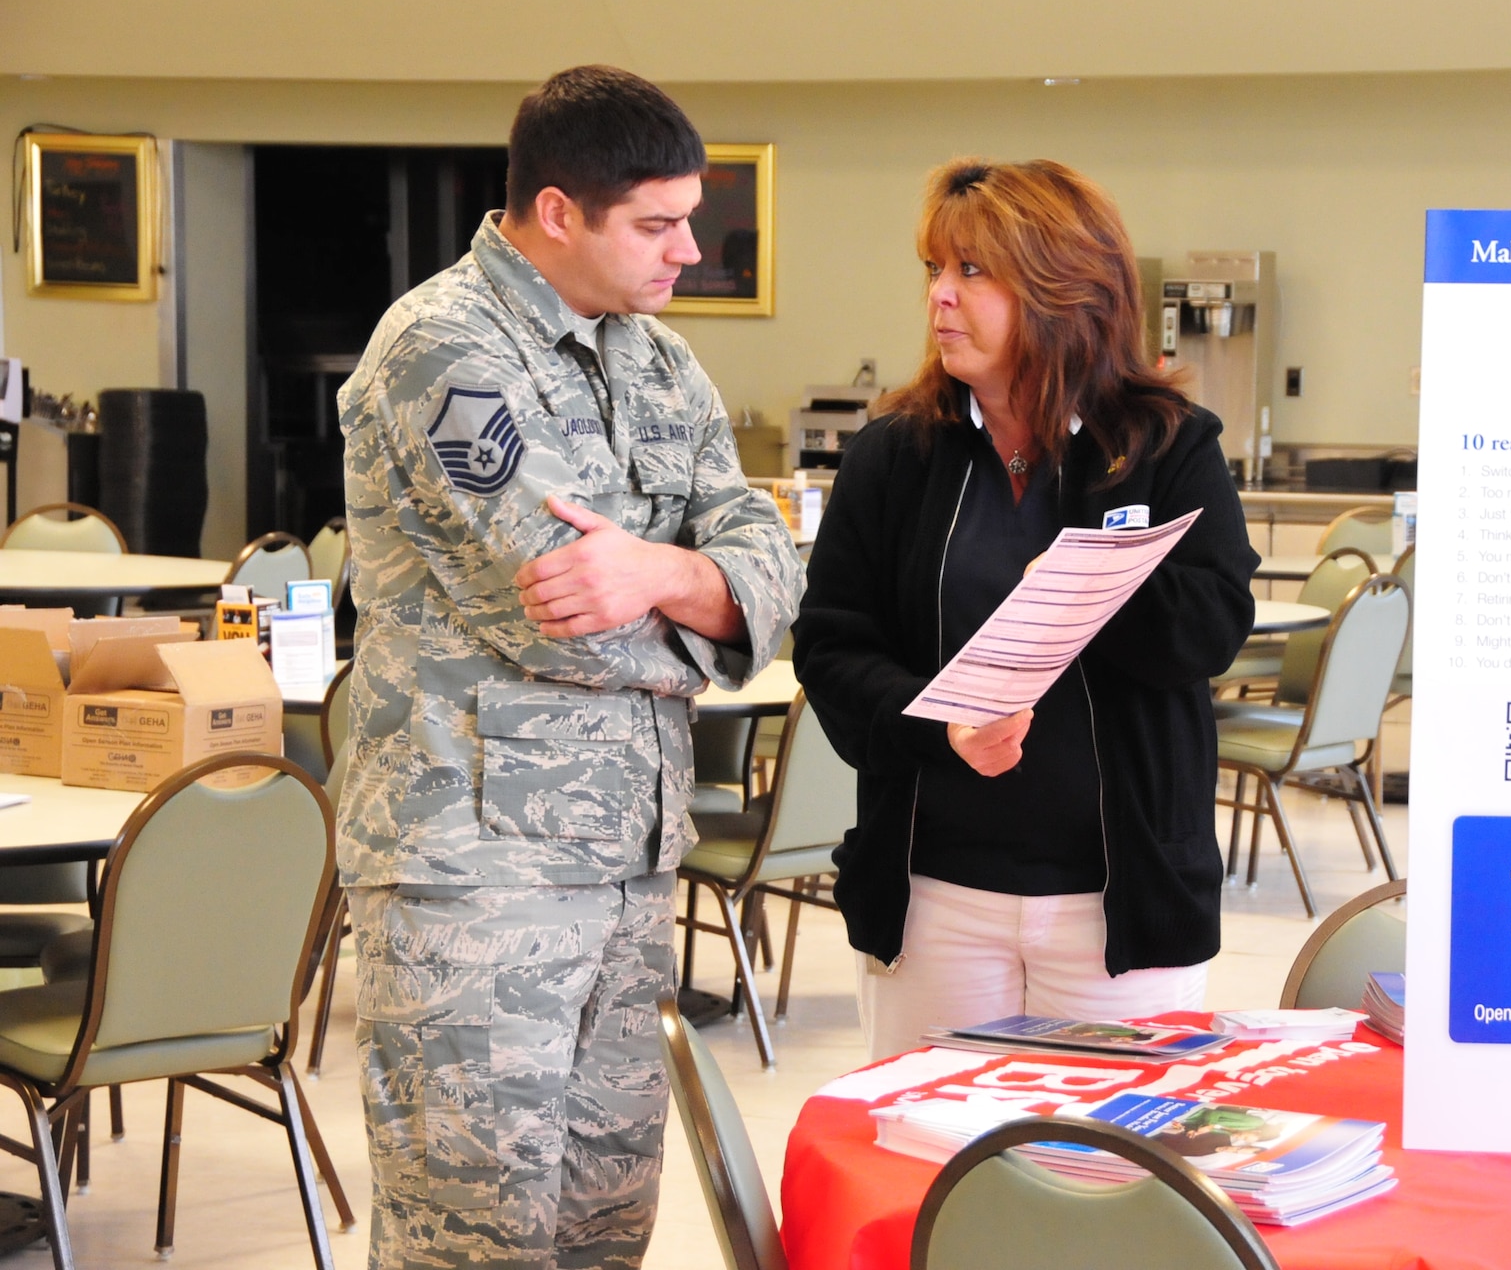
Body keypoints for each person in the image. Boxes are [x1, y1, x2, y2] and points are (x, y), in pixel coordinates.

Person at [337, 65, 802, 1267]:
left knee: (605, 1227)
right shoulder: (442, 349)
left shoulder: (652, 357)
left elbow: (766, 553)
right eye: (657, 223)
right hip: (475, 876)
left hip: (628, 860)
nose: (688, 250)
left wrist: (658, 574)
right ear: (558, 212)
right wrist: (708, 598)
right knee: (474, 1235)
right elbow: (561, 612)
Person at [793, 158, 1257, 1060]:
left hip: (1120, 912)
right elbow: (834, 650)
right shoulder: (895, 454)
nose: (941, 299)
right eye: (934, 270)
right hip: (936, 902)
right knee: (934, 1172)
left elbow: (1211, 626)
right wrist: (945, 724)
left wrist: (1089, 569)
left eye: (973, 272)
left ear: (1062, 289)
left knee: (1114, 1179)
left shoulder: (1165, 444)